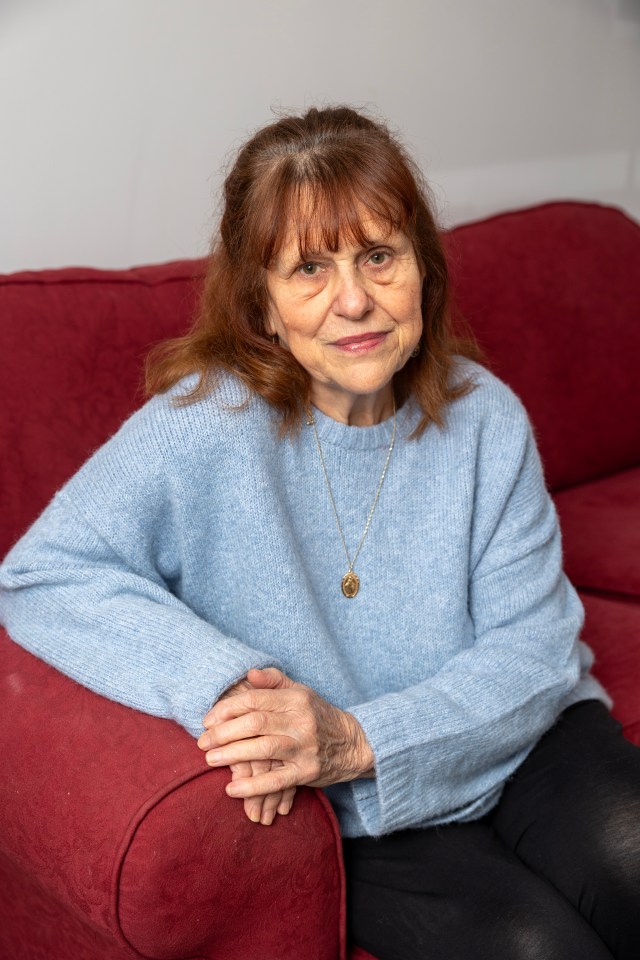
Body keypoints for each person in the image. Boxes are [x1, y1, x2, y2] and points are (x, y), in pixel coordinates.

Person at [1, 105, 639, 960]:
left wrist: (359, 736)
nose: (355, 301)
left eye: (379, 256)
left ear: (423, 269)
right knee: (533, 950)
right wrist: (221, 688)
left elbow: (535, 653)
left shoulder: (485, 417)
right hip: (357, 811)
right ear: (261, 303)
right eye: (308, 268)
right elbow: (42, 576)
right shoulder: (200, 428)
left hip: (522, 737)